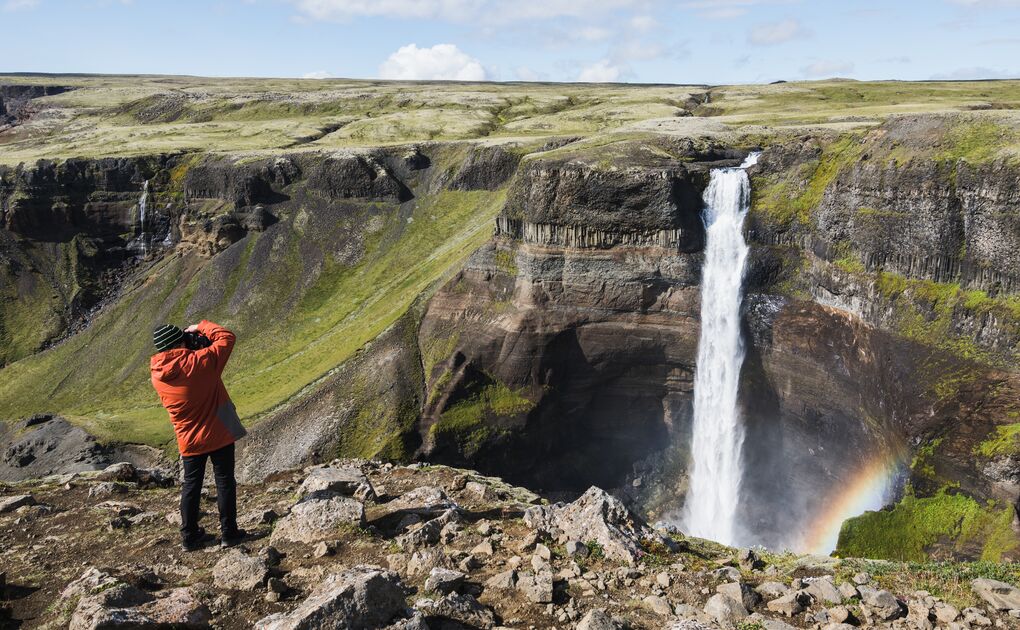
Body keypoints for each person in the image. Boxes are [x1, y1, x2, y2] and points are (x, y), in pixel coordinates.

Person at [150, 320, 248, 551]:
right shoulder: (202, 361)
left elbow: (182, 369)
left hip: (188, 437)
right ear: (180, 343)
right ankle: (229, 533)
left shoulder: (157, 375)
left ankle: (189, 537)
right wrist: (200, 326)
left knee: (191, 485)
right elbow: (227, 337)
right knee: (224, 481)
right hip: (219, 430)